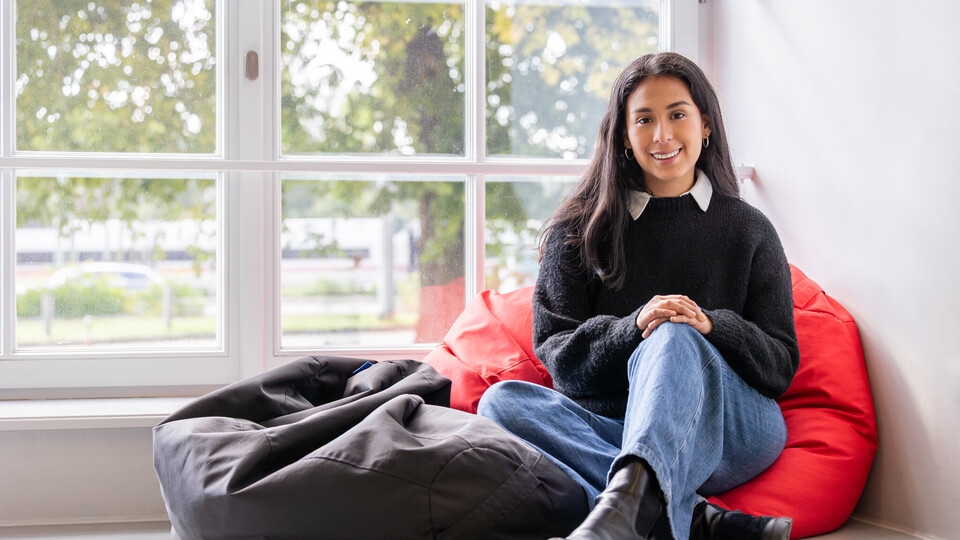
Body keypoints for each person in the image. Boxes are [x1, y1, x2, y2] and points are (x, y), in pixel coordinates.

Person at [476, 52, 800, 540]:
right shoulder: (578, 231)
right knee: (501, 402)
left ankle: (628, 510)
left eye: (677, 114)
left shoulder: (750, 230)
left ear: (705, 124)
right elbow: (559, 356)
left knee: (673, 336)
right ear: (624, 136)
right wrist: (634, 328)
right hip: (617, 425)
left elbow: (779, 365)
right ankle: (684, 517)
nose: (662, 135)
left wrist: (707, 325)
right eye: (644, 119)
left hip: (731, 430)